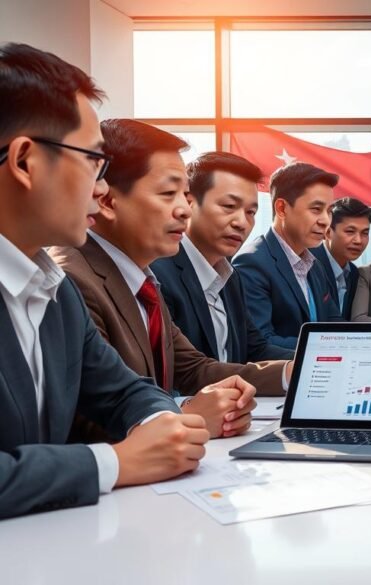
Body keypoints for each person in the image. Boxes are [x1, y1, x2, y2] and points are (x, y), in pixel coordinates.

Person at [0, 43, 214, 518]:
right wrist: (114, 462)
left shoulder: (53, 292)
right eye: (93, 161)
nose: (101, 187)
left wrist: (164, 424)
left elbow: (124, 390)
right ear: (24, 162)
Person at [49, 119, 290, 439]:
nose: (183, 211)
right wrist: (187, 413)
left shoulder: (142, 278)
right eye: (167, 194)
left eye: (185, 196)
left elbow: (191, 368)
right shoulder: (73, 279)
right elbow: (80, 418)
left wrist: (290, 373)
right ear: (107, 200)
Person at [151, 151, 293, 363]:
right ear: (189, 203)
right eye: (229, 206)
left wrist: (316, 361)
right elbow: (180, 371)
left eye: (250, 212)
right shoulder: (159, 274)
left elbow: (255, 349)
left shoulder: (230, 276)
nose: (241, 223)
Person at [233, 162, 342, 349]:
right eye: (316, 209)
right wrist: (324, 350)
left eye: (329, 211)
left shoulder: (315, 265)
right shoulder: (251, 263)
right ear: (282, 208)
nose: (325, 221)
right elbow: (261, 343)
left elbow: (333, 322)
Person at [309, 197, 371, 321]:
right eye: (350, 231)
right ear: (327, 232)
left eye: (365, 233)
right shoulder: (308, 264)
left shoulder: (354, 274)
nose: (358, 241)